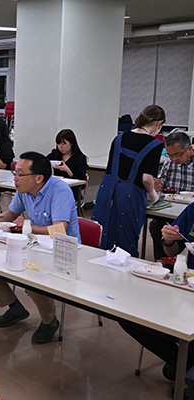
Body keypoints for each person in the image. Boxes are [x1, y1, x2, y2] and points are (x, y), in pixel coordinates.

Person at [0, 152, 80, 344]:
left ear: (38, 178)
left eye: (20, 174)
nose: (15, 179)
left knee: (32, 280)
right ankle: (15, 308)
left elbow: (60, 230)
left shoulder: (60, 190)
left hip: (62, 250)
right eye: (14, 174)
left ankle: (50, 321)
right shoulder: (24, 190)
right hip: (34, 244)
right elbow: (10, 214)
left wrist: (26, 226)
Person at [117, 213, 194, 395]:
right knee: (128, 315)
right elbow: (171, 252)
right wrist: (168, 239)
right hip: (185, 286)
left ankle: (185, 367)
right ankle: (185, 365)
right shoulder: (192, 210)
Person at [92, 105, 164, 257]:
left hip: (107, 191)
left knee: (100, 234)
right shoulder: (155, 144)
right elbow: (146, 178)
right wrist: (153, 194)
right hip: (129, 196)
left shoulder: (119, 138)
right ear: (159, 124)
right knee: (125, 241)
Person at [149, 131, 194, 260]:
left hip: (190, 211)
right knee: (156, 226)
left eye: (177, 155)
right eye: (169, 155)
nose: (174, 159)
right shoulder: (169, 164)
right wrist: (157, 186)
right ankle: (165, 261)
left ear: (189, 149)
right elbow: (161, 186)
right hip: (172, 208)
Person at [46, 129, 88, 201]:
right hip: (56, 188)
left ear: (71, 143)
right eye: (58, 144)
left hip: (71, 191)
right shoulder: (55, 154)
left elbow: (81, 181)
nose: (60, 147)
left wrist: (68, 171)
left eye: (64, 144)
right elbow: (42, 161)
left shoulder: (79, 158)